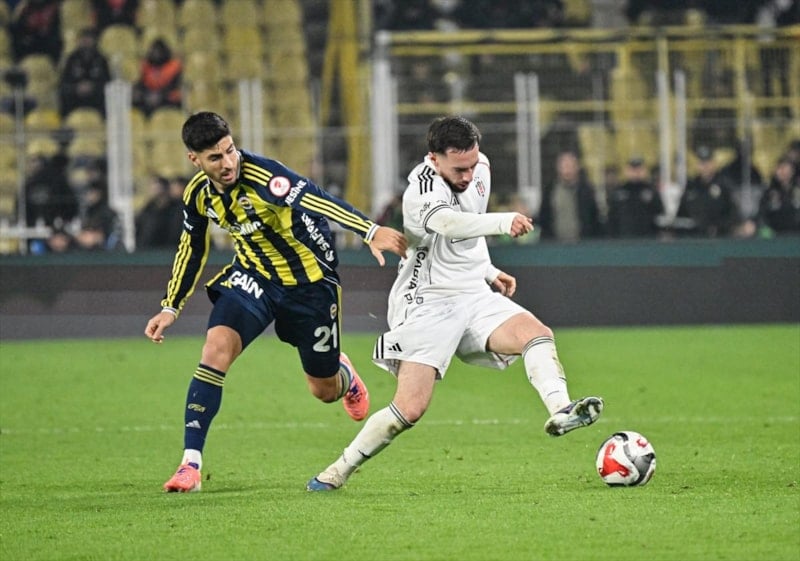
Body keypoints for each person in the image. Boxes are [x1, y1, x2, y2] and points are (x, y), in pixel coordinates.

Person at [306, 116, 603, 492]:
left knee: (536, 334)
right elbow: (449, 224)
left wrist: (487, 270)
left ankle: (561, 409)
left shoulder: (480, 167)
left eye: (472, 165)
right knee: (410, 409)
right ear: (434, 158)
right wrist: (503, 222)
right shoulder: (420, 189)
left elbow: (468, 229)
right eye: (459, 169)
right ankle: (338, 470)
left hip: (473, 293)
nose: (468, 175)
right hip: (427, 302)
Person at [144, 112, 407, 493]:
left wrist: (369, 231)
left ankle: (345, 375)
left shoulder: (267, 177)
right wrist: (170, 306)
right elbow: (192, 247)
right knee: (215, 350)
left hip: (309, 285)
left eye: (230, 150)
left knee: (324, 390)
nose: (228, 162)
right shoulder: (198, 195)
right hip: (254, 277)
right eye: (215, 157)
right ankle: (190, 464)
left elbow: (318, 200)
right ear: (194, 160)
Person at [537, 150, 603, 242]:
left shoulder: (586, 191)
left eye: (570, 166)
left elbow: (594, 218)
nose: (567, 169)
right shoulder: (550, 191)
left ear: (577, 167)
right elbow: (544, 217)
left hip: (583, 244)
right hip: (554, 244)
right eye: (564, 166)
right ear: (558, 168)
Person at [675, 146, 737, 238]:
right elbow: (681, 214)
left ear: (713, 164)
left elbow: (733, 214)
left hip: (719, 237)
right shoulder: (691, 186)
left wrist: (719, 227)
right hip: (694, 237)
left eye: (708, 162)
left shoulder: (723, 185)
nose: (705, 167)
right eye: (702, 163)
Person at [57, 28, 112, 118]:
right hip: (76, 94)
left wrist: (92, 86)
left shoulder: (101, 59)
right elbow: (64, 81)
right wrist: (76, 87)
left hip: (95, 95)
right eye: (84, 38)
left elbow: (107, 82)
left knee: (106, 94)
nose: (86, 41)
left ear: (94, 41)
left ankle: (103, 120)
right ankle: (66, 121)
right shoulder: (71, 58)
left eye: (89, 38)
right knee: (64, 93)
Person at [606, 156, 665, 238]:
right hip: (623, 239)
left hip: (647, 239)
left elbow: (660, 215)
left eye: (639, 169)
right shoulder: (618, 192)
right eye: (633, 169)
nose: (636, 172)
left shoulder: (651, 192)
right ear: (627, 171)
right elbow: (611, 218)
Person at [132, 38, 183, 117]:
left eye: (159, 51)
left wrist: (161, 95)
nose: (156, 54)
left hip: (167, 100)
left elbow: (175, 87)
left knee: (176, 97)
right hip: (148, 99)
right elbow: (142, 84)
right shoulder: (145, 66)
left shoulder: (174, 66)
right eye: (154, 51)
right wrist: (145, 95)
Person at [758, 156, 800, 234]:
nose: (782, 172)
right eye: (780, 168)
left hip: (796, 233)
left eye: (785, 169)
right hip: (776, 234)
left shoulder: (797, 189)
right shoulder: (769, 191)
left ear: (792, 171)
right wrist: (765, 228)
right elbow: (762, 213)